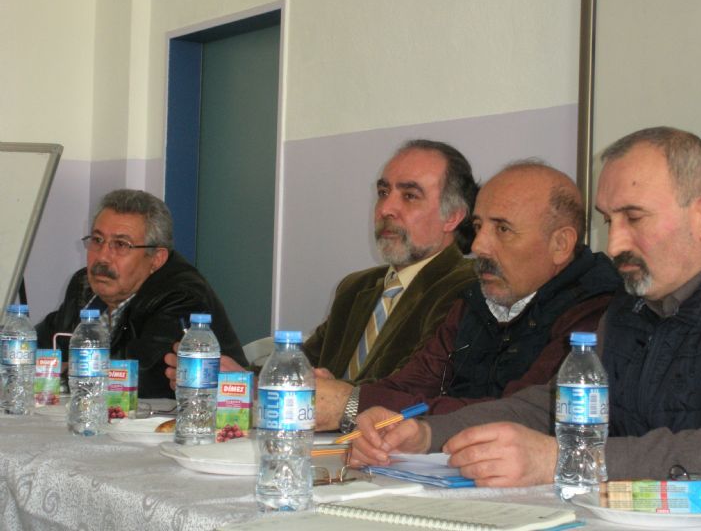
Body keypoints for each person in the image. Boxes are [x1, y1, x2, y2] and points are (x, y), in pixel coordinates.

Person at [350, 127, 701, 488]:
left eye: (633, 218)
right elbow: (557, 405)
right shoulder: (633, 299)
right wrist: (429, 434)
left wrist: (565, 459)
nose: (614, 244)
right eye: (608, 220)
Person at [314, 160, 620, 431]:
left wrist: (351, 404)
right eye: (478, 226)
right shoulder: (475, 300)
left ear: (560, 244)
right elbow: (411, 384)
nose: (477, 246)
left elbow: (521, 414)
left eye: (502, 229)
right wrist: (341, 395)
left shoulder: (596, 311)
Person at [165, 139, 478, 390]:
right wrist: (234, 377)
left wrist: (326, 394)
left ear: (452, 216)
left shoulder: (467, 287)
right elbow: (303, 365)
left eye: (409, 196)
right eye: (383, 192)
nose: (386, 208)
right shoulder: (356, 287)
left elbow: (413, 387)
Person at [37, 189, 247, 399]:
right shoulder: (85, 284)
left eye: (121, 244)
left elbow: (140, 377)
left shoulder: (182, 295)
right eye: (98, 240)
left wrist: (62, 371)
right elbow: (36, 345)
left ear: (156, 258)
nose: (102, 257)